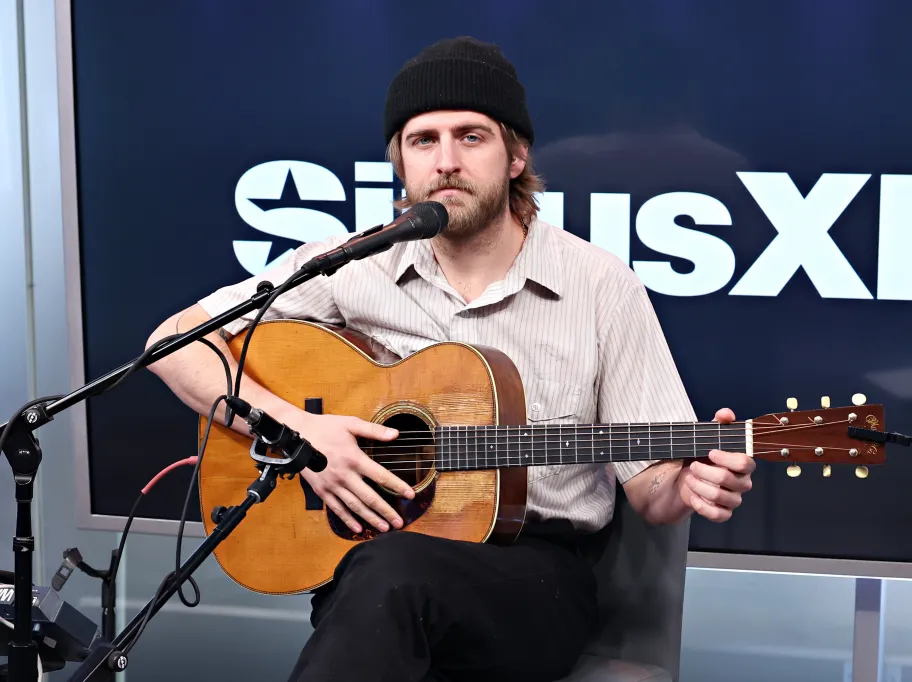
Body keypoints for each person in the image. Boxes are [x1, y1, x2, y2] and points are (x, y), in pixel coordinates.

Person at [147, 36, 755, 682]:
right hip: (372, 570)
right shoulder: (349, 268)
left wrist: (689, 486)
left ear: (516, 154)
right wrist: (299, 432)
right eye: (423, 140)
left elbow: (651, 490)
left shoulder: (601, 286)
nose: (446, 161)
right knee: (386, 580)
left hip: (534, 580)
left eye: (471, 137)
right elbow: (173, 344)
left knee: (390, 578)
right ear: (400, 164)